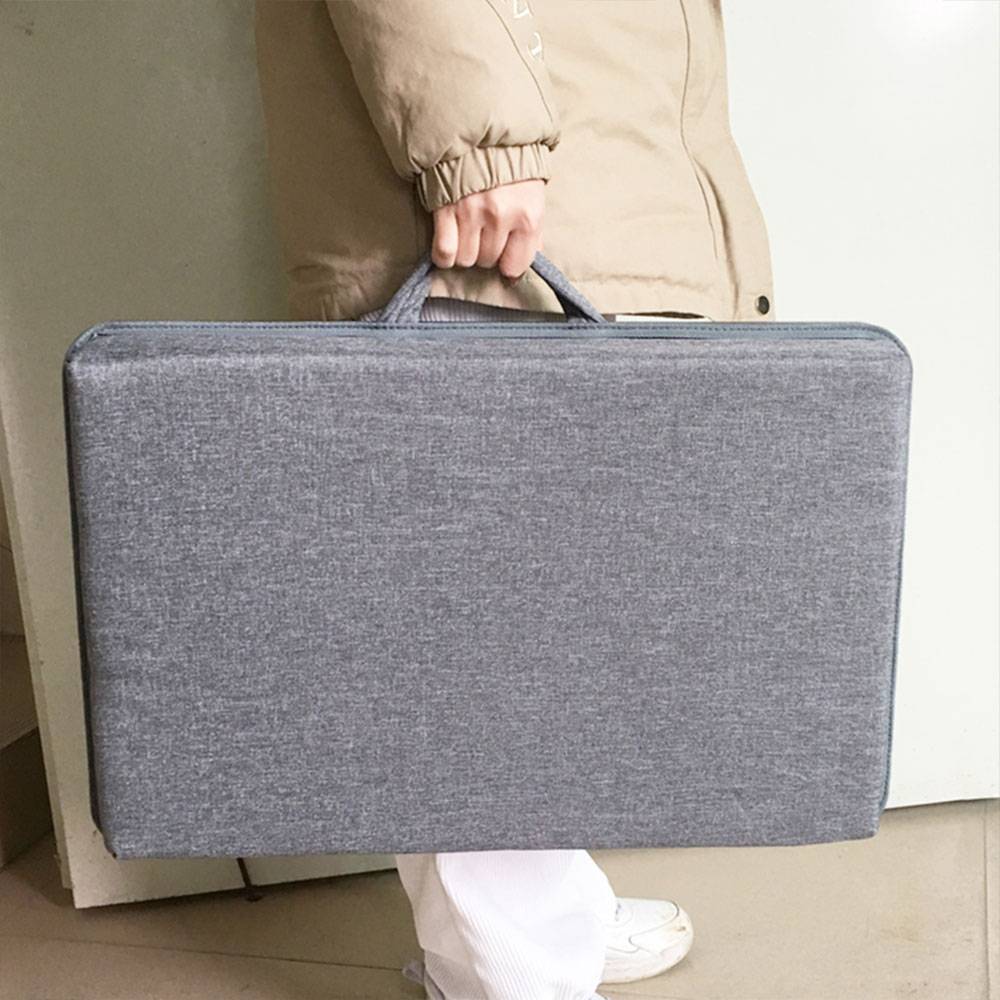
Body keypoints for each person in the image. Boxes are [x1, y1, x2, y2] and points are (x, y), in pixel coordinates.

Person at [254, 3, 774, 998]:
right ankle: (511, 966)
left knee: (547, 615)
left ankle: (542, 908)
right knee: (475, 626)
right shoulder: (481, 147)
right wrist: (473, 135)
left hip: (585, 164)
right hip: (488, 179)